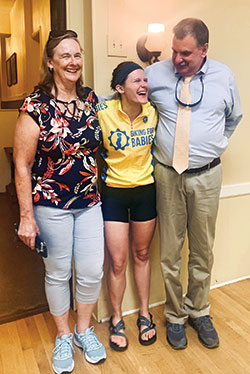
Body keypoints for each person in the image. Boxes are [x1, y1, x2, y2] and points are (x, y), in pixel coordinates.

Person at [145, 18, 242, 350]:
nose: (177, 60)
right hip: (167, 175)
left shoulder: (223, 76)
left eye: (185, 53)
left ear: (204, 50)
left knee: (202, 250)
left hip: (207, 176)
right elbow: (125, 97)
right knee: (170, 252)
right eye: (174, 51)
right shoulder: (156, 73)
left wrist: (213, 146)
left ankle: (199, 310)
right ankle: (175, 316)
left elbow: (234, 118)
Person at [13, 30, 106, 374]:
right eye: (65, 56)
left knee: (92, 270)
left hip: (90, 202)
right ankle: (64, 335)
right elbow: (21, 164)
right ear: (50, 62)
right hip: (51, 206)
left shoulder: (92, 100)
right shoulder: (34, 106)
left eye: (77, 55)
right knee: (57, 272)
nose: (73, 61)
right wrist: (27, 217)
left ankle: (84, 329)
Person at [97, 61, 158, 351]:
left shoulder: (154, 112)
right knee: (118, 261)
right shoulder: (103, 112)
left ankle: (144, 314)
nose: (143, 85)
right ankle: (117, 318)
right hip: (114, 194)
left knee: (142, 253)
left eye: (145, 80)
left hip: (146, 190)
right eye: (136, 81)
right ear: (120, 88)